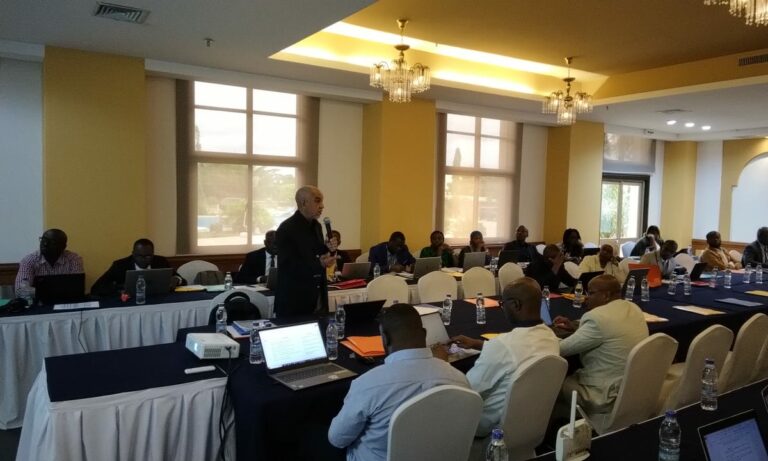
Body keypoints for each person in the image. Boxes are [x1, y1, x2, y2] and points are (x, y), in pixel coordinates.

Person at [328, 303, 469, 461]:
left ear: (385, 338)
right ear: (424, 334)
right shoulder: (459, 380)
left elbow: (337, 439)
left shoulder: (368, 385)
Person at [446, 278, 559, 436]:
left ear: (516, 305)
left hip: (487, 425)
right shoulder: (550, 336)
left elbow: (466, 391)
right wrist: (479, 344)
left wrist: (441, 364)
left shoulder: (502, 346)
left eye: (502, 304)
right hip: (529, 419)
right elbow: (518, 350)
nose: (502, 309)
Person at [552, 275, 648, 414]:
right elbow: (610, 329)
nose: (586, 298)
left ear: (606, 296)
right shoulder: (633, 308)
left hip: (604, 394)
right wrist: (576, 327)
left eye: (591, 293)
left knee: (551, 384)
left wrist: (543, 336)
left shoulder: (596, 317)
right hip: (632, 386)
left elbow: (561, 349)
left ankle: (562, 424)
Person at [274, 186, 337, 317]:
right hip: (295, 299)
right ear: (303, 203)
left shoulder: (317, 226)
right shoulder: (287, 228)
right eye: (317, 201)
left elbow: (316, 252)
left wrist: (327, 248)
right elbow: (288, 265)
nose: (322, 206)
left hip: (318, 295)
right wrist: (320, 263)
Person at [90, 238, 184, 296]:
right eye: (140, 256)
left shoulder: (160, 261)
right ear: (133, 254)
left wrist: (176, 280)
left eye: (148, 256)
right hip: (130, 303)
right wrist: (120, 288)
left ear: (153, 254)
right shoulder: (120, 265)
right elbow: (96, 288)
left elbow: (182, 280)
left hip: (158, 300)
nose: (144, 259)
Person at [15, 228, 84, 292]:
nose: (45, 244)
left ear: (63, 247)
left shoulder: (73, 259)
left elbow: (76, 288)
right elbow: (21, 290)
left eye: (52, 242)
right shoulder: (29, 260)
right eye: (43, 240)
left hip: (66, 300)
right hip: (37, 300)